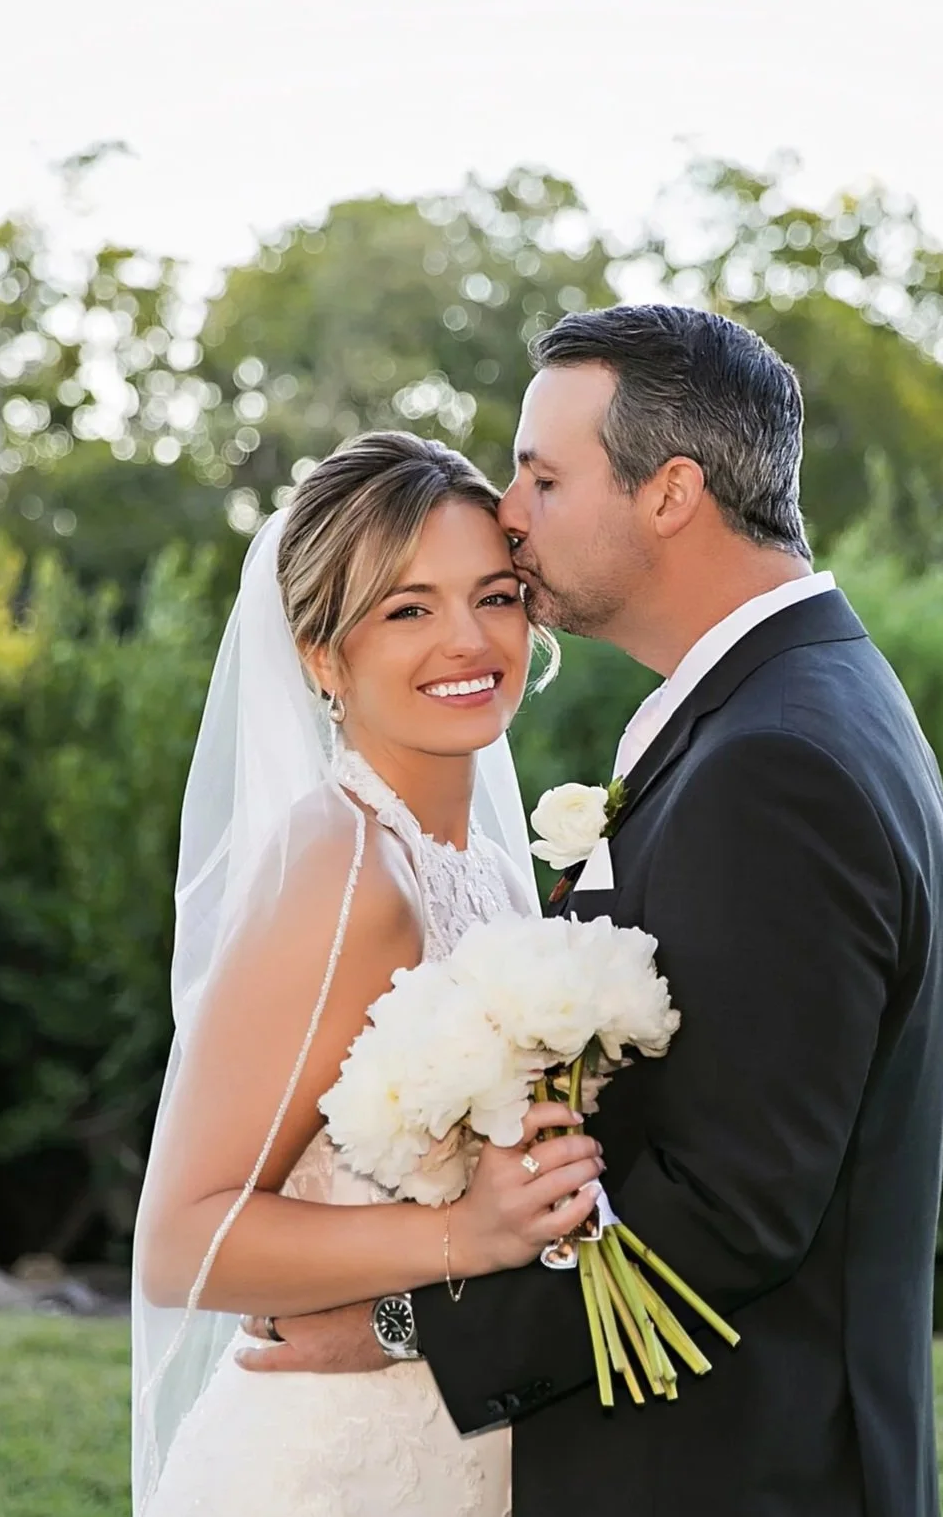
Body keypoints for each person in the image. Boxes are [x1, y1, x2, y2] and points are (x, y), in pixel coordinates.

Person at [244, 307, 943, 1517]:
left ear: (671, 492)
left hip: (730, 1475)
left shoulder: (770, 762)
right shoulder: (807, 702)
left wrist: (401, 1324)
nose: (511, 510)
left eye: (543, 474)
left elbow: (731, 1214)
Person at [132, 431, 604, 1516]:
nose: (467, 640)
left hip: (462, 1443)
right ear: (320, 655)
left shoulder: (477, 866)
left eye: (495, 596)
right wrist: (458, 1238)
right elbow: (184, 1246)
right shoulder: (344, 870)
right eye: (407, 609)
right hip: (331, 1475)